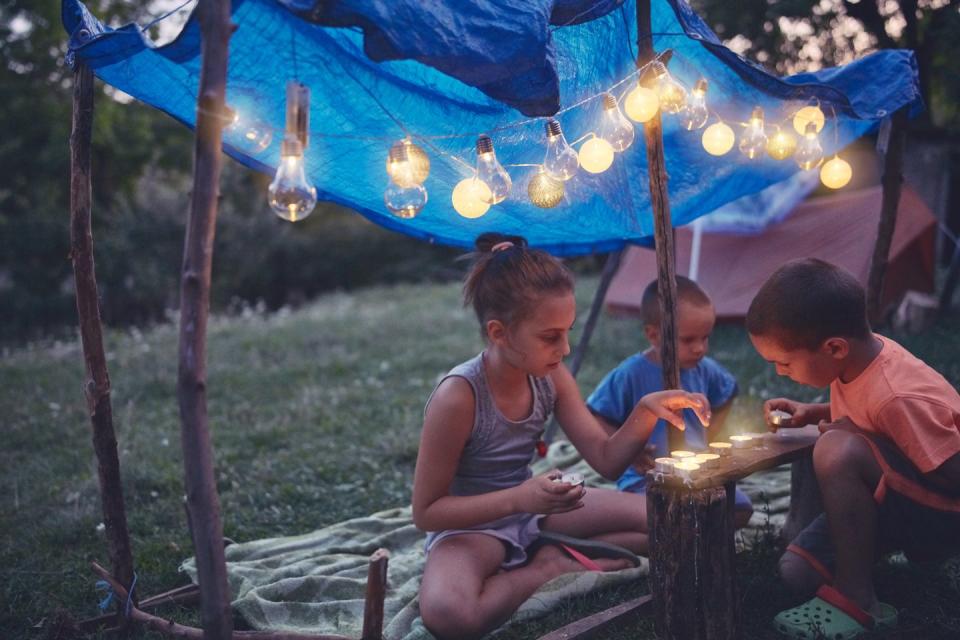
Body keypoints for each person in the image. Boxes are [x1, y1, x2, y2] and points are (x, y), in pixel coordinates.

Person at [412, 233, 711, 640]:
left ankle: (551, 546)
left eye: (567, 331)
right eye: (551, 336)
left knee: (681, 526)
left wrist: (643, 412)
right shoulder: (459, 396)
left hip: (536, 508)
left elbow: (605, 458)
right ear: (499, 333)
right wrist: (520, 498)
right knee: (450, 614)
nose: (565, 348)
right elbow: (427, 511)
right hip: (474, 525)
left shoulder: (551, 376)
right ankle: (548, 567)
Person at [746, 257, 960, 639]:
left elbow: (951, 472)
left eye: (784, 362)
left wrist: (854, 441)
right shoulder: (859, 361)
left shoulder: (898, 396)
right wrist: (814, 412)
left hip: (941, 517)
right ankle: (860, 563)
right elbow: (870, 410)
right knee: (795, 573)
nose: (780, 372)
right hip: (891, 501)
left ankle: (858, 600)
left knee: (836, 449)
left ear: (834, 348)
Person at [587, 276, 753, 529]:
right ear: (653, 334)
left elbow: (727, 392)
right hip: (647, 479)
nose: (700, 348)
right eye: (688, 340)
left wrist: (709, 433)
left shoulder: (705, 370)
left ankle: (692, 535)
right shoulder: (631, 373)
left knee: (741, 509)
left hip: (697, 474)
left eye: (705, 337)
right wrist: (630, 452)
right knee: (664, 518)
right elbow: (597, 415)